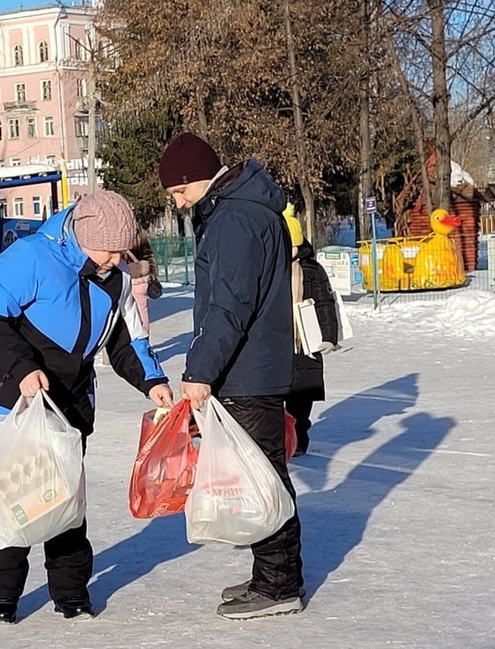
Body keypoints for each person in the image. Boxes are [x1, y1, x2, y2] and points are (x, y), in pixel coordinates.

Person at [0, 190, 174, 624]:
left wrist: (152, 381)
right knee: (14, 497)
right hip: (7, 399)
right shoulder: (30, 257)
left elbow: (125, 339)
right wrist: (22, 369)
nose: (116, 259)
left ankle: (71, 593)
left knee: (65, 502)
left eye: (121, 250)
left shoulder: (114, 278)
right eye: (109, 250)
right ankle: (3, 597)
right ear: (83, 235)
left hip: (70, 403)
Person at [158, 132, 304, 620]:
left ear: (198, 179)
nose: (178, 204)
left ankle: (280, 585)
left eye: (179, 193)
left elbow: (228, 305)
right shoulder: (241, 209)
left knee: (264, 477)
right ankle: (271, 575)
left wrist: (200, 370)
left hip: (247, 370)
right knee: (259, 473)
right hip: (254, 366)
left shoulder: (234, 219)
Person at [282, 205, 339, 456]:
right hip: (278, 341)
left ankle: (299, 440)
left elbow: (326, 303)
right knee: (275, 395)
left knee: (301, 397)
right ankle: (280, 441)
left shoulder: (312, 270)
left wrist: (328, 337)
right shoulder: (271, 270)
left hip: (307, 339)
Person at [124, 230, 158, 333]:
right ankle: (144, 340)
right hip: (141, 281)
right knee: (142, 315)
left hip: (127, 279)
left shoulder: (118, 233)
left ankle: (136, 342)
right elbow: (148, 255)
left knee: (126, 316)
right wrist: (150, 273)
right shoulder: (139, 233)